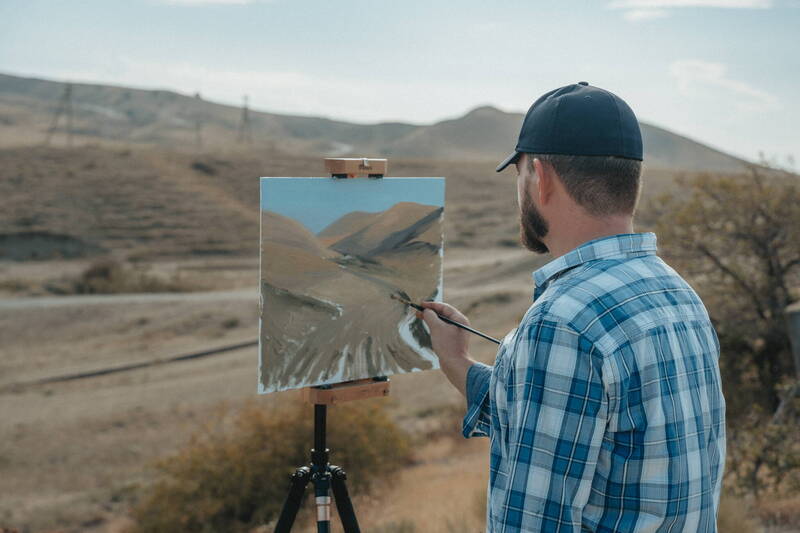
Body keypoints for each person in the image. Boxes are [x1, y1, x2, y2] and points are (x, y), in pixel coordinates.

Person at [419, 82, 726, 532]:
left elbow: (532, 523)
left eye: (519, 175)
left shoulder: (562, 322)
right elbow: (571, 427)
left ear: (540, 178)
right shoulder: (677, 294)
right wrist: (457, 361)